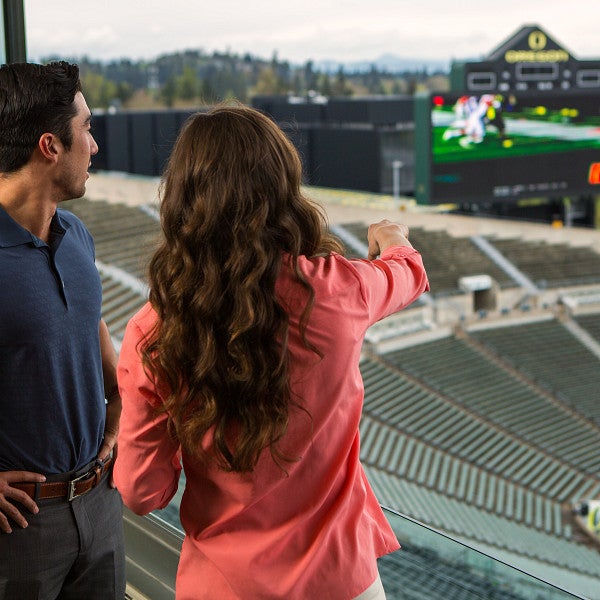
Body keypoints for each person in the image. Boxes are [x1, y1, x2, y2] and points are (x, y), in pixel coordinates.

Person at [114, 103, 429, 599]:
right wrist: (393, 238)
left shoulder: (153, 333)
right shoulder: (338, 291)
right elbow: (409, 273)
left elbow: (141, 492)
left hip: (223, 586)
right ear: (282, 190)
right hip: (342, 580)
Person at [0, 62, 125, 599]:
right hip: (21, 531)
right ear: (50, 146)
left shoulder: (76, 235)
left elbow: (87, 325)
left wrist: (122, 408)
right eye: (87, 129)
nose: (93, 146)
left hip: (100, 504)